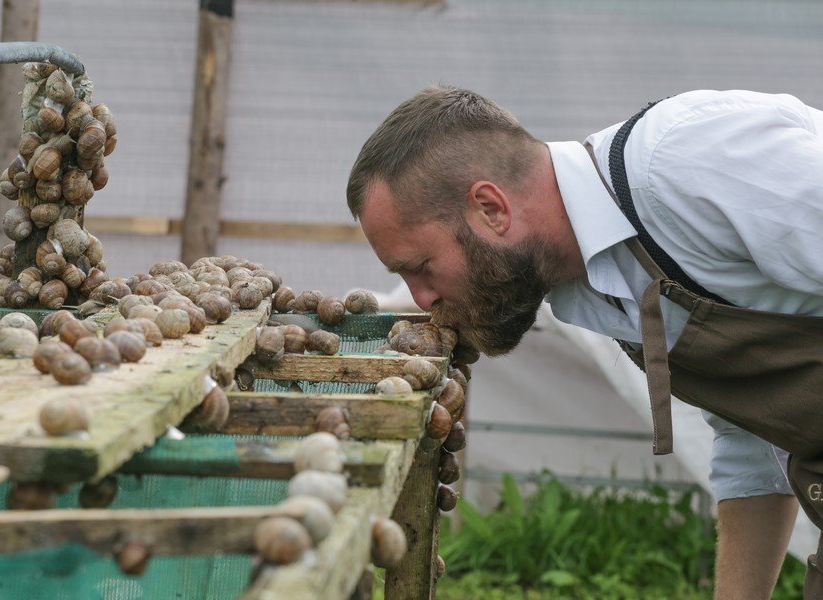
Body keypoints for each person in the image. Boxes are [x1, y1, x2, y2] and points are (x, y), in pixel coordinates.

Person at [346, 86, 823, 599]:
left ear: (491, 208)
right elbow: (753, 440)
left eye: (420, 268)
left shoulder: (686, 164)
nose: (421, 298)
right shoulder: (594, 287)